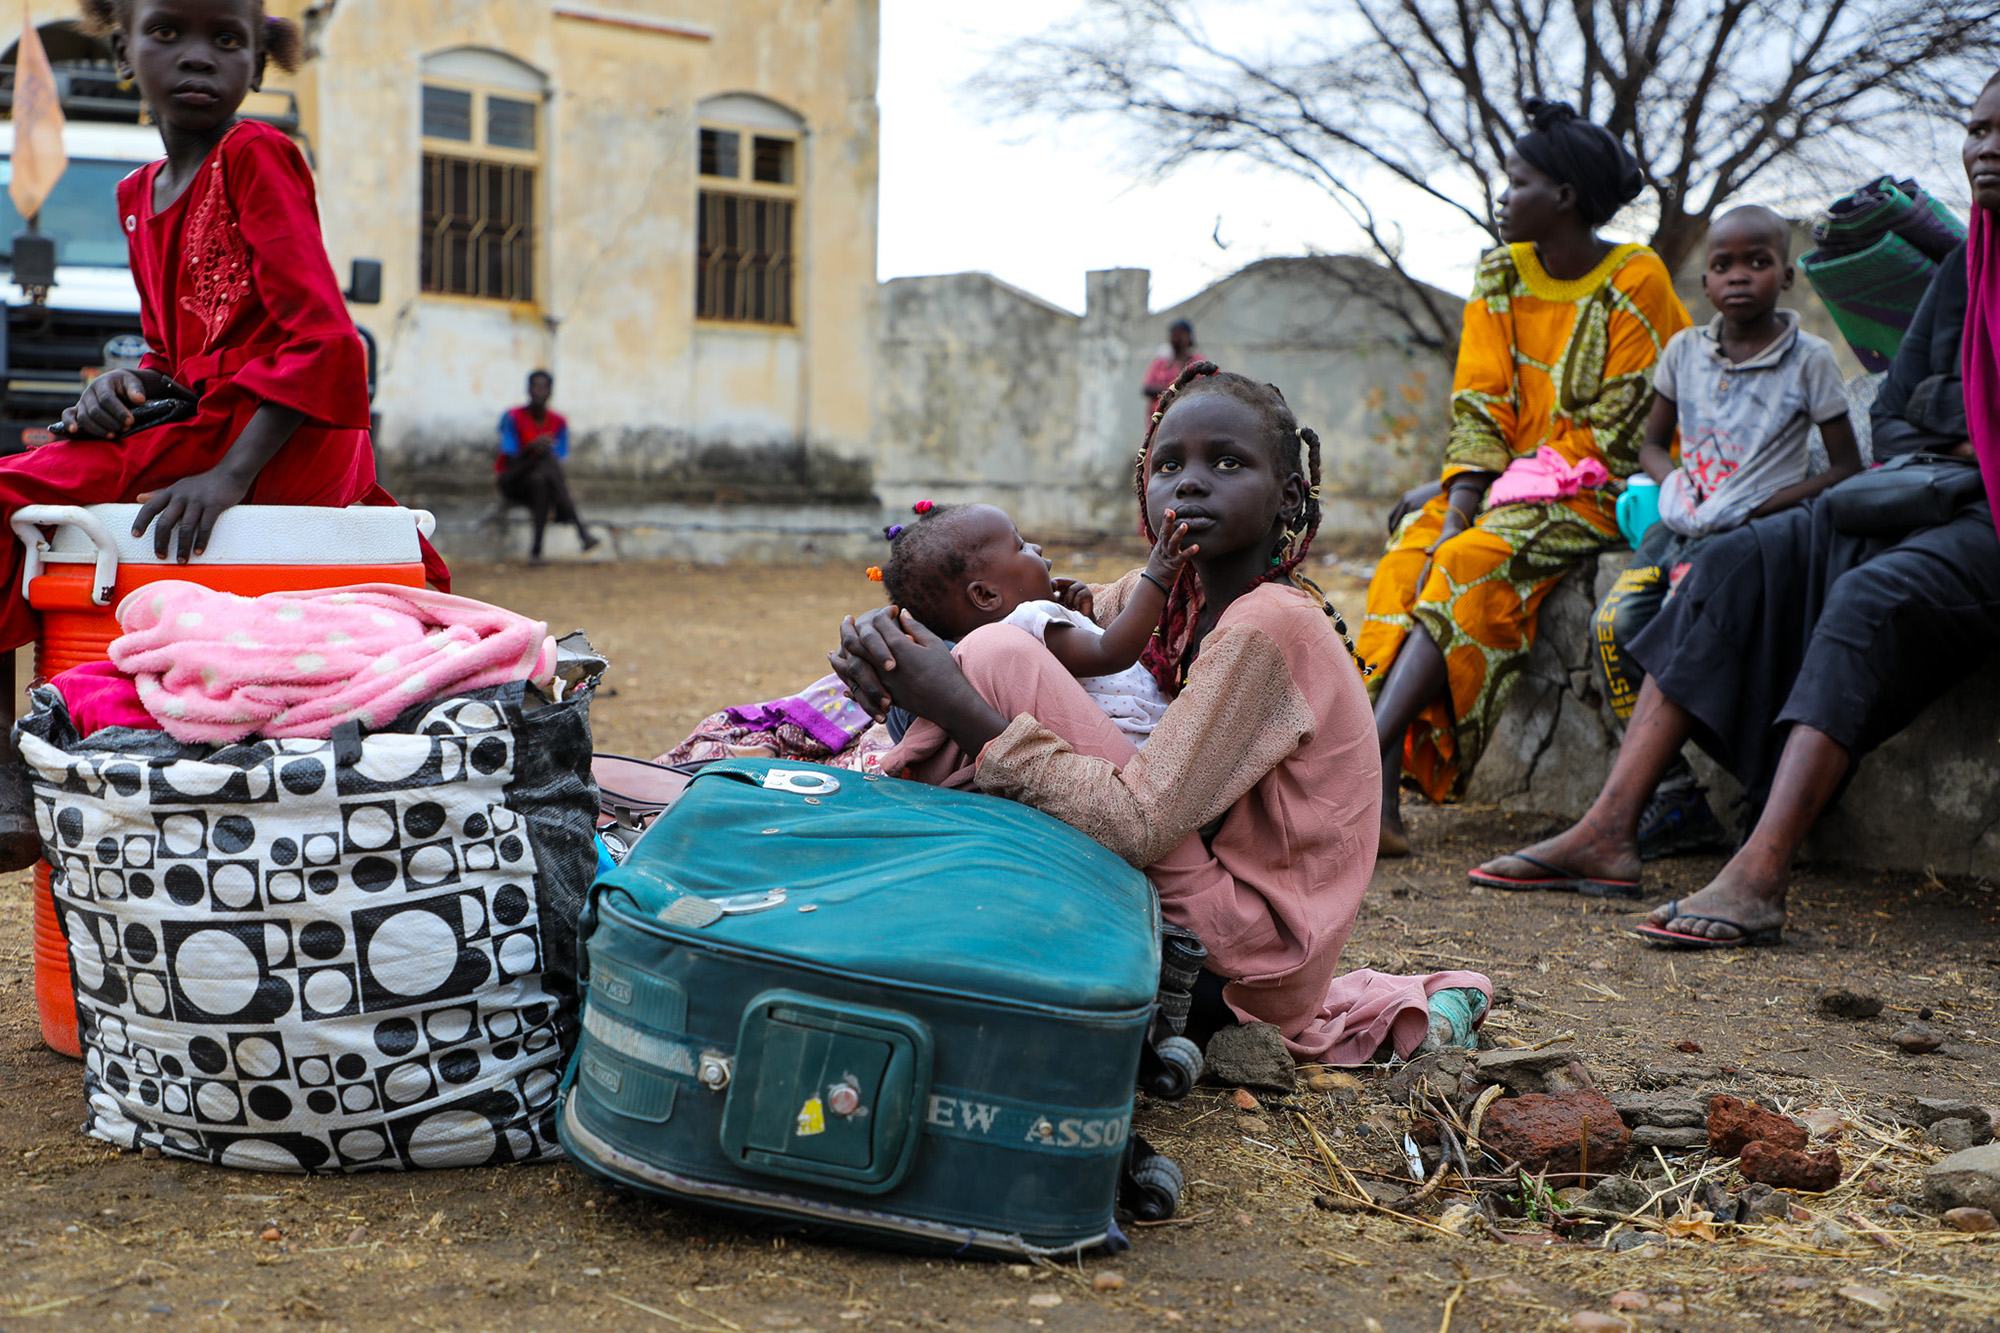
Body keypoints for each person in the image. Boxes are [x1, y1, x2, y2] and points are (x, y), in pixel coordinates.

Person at [1471, 71, 2000, 946]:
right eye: (1974, 129)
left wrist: (1956, 444)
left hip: (1979, 523)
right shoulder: (1965, 272)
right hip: (1928, 497)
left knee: (1867, 601)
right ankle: (1610, 829)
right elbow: (1904, 407)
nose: (1983, 147)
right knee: (1729, 558)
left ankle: (1759, 872)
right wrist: (1959, 439)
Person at [834, 362, 1490, 1065]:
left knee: (997, 656)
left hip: (1241, 962)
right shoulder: (1174, 598)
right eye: (1169, 463)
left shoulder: (1269, 625)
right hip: (1200, 908)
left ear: (1287, 495)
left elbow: (1138, 822)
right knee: (983, 652)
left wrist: (961, 706)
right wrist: (899, 640)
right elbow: (993, 613)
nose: (1191, 481)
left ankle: (908, 840)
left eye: (1228, 462)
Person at [0, 0, 447, 870]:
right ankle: (16, 767)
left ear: (257, 66)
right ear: (125, 51)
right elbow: (177, 350)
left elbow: (322, 339)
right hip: (206, 420)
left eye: (227, 40)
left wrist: (231, 478)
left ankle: (4, 778)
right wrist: (120, 390)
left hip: (278, 436)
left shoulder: (258, 156)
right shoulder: (138, 196)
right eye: (168, 33)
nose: (198, 57)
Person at [1360, 98, 1691, 859]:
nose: (1504, 199)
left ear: (1565, 197)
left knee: (1468, 558)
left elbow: (1617, 433)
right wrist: (1457, 497)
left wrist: (1473, 510)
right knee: (1412, 553)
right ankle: (1372, 778)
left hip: (1597, 487)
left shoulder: (1634, 278)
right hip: (1506, 483)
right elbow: (1480, 400)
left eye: (1517, 184)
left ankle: (1365, 756)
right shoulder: (1500, 275)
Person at [1573, 205, 1861, 866]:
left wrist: (1760, 505)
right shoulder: (1684, 352)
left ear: (1786, 275)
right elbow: (1651, 444)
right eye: (1723, 264)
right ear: (1704, 282)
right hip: (1682, 526)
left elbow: (1845, 467)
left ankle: (1729, 793)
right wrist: (1674, 483)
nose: (1739, 277)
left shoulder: (1809, 360)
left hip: (1749, 541)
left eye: (1758, 262)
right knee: (1615, 624)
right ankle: (1671, 795)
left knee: (1697, 647)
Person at [871, 500, 1197, 751]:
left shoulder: (982, 657)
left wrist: (1085, 620)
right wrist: (1158, 574)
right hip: (1139, 746)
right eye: (1021, 546)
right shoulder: (1029, 621)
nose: (1037, 549)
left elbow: (1091, 679)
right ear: (985, 595)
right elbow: (1111, 654)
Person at [498, 369, 598, 563]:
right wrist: (531, 449)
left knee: (540, 479)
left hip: (540, 481)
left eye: (543, 388)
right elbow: (509, 458)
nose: (539, 392)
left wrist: (539, 450)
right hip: (512, 479)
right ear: (528, 390)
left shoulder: (558, 422)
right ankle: (579, 527)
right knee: (544, 461)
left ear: (550, 392)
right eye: (535, 387)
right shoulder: (512, 417)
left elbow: (559, 456)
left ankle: (536, 552)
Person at [1142, 318, 1198, 417]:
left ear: (1189, 337)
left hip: (1188, 417)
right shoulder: (1161, 362)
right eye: (1174, 334)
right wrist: (1174, 389)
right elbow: (1147, 389)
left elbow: (1202, 387)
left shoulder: (1196, 362)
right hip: (1160, 420)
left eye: (1181, 334)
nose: (1176, 338)